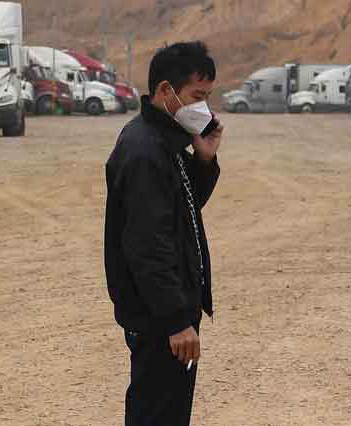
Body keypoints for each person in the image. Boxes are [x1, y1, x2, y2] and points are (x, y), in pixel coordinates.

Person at [104, 41, 224, 426]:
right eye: (197, 96)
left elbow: (182, 210)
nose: (204, 107)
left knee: (168, 415)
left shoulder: (167, 142)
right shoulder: (144, 150)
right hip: (158, 317)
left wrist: (204, 160)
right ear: (164, 91)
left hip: (167, 310)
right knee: (155, 415)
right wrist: (176, 320)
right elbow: (147, 245)